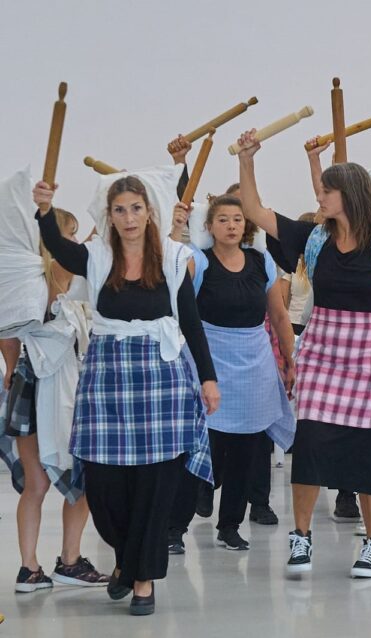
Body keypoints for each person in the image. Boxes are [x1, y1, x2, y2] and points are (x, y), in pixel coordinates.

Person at [236, 132, 371, 579]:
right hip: (323, 354)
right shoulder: (313, 238)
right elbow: (254, 210)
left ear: (349, 196)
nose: (318, 197)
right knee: (311, 446)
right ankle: (301, 537)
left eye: (326, 191)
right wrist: (246, 161)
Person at [34, 176, 219, 616]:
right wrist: (44, 211)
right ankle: (125, 560)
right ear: (110, 216)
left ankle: (142, 580)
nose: (129, 218)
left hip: (161, 380)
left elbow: (190, 321)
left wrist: (208, 378)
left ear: (149, 212)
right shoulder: (98, 256)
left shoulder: (173, 258)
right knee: (104, 484)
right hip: (107, 377)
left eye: (136, 208)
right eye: (120, 210)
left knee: (155, 484)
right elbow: (59, 248)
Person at [166, 195, 296, 553]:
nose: (231, 225)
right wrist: (175, 231)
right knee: (199, 449)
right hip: (209, 361)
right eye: (222, 219)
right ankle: (174, 528)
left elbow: (279, 315)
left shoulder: (261, 261)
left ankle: (230, 526)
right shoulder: (198, 260)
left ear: (246, 225)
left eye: (237, 219)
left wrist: (289, 359)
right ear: (209, 226)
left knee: (246, 452)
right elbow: (172, 280)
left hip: (255, 364)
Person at [0, 208, 109, 593]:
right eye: (70, 234)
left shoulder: (30, 283)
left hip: (36, 380)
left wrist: (12, 368)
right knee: (74, 476)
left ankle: (34, 567)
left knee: (42, 483)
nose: (76, 241)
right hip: (51, 383)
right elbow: (91, 245)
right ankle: (65, 561)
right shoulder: (49, 277)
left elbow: (7, 336)